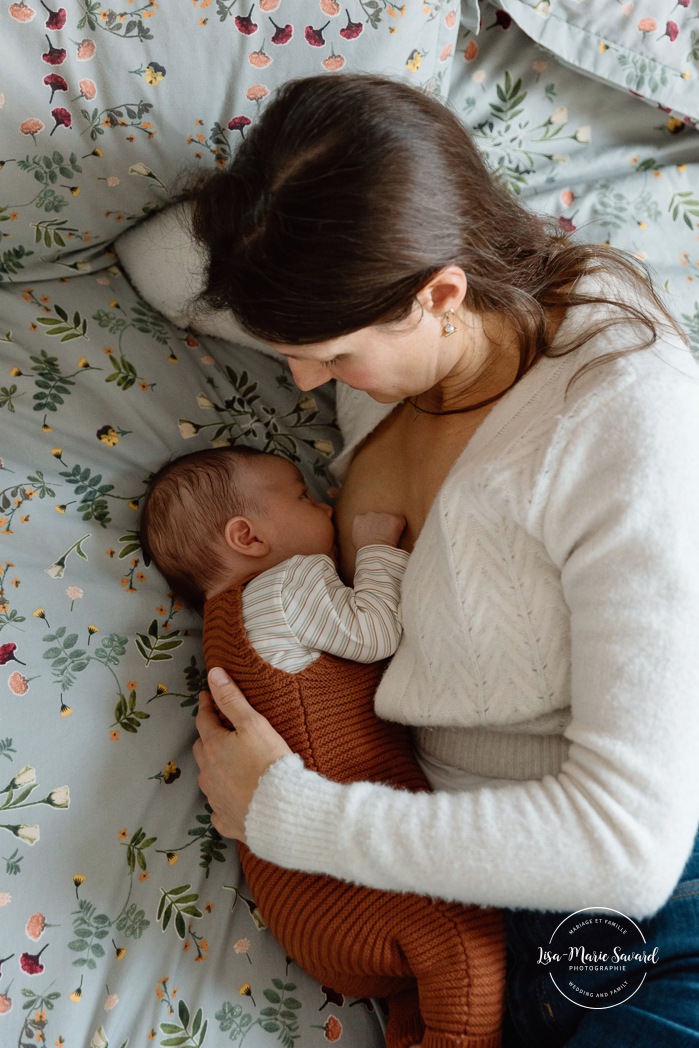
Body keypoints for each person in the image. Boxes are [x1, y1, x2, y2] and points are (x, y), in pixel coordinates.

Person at [189, 73, 699, 1047]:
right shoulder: (407, 351)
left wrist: (288, 812)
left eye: (330, 356)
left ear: (440, 295)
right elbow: (168, 262)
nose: (302, 381)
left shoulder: (623, 417)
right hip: (497, 912)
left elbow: (628, 849)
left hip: (659, 895)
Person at [139, 445, 507, 1048]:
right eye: (304, 496)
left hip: (313, 916)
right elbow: (375, 631)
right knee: (462, 934)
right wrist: (379, 553)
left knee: (420, 981)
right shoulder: (282, 587)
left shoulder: (221, 632)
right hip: (346, 876)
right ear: (247, 536)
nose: (326, 503)